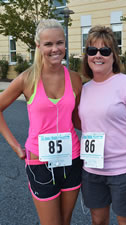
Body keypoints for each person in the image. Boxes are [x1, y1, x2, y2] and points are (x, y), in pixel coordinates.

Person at [0, 19, 82, 225]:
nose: (55, 49)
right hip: (40, 163)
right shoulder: (27, 79)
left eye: (59, 43)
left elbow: (76, 119)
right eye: (48, 44)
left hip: (72, 160)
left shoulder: (74, 78)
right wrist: (15, 146)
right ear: (38, 46)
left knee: (65, 221)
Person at [78, 25, 126, 225]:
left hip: (123, 172)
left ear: (114, 55)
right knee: (98, 221)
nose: (98, 55)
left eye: (105, 50)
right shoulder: (85, 89)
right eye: (92, 51)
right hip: (92, 170)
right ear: (87, 56)